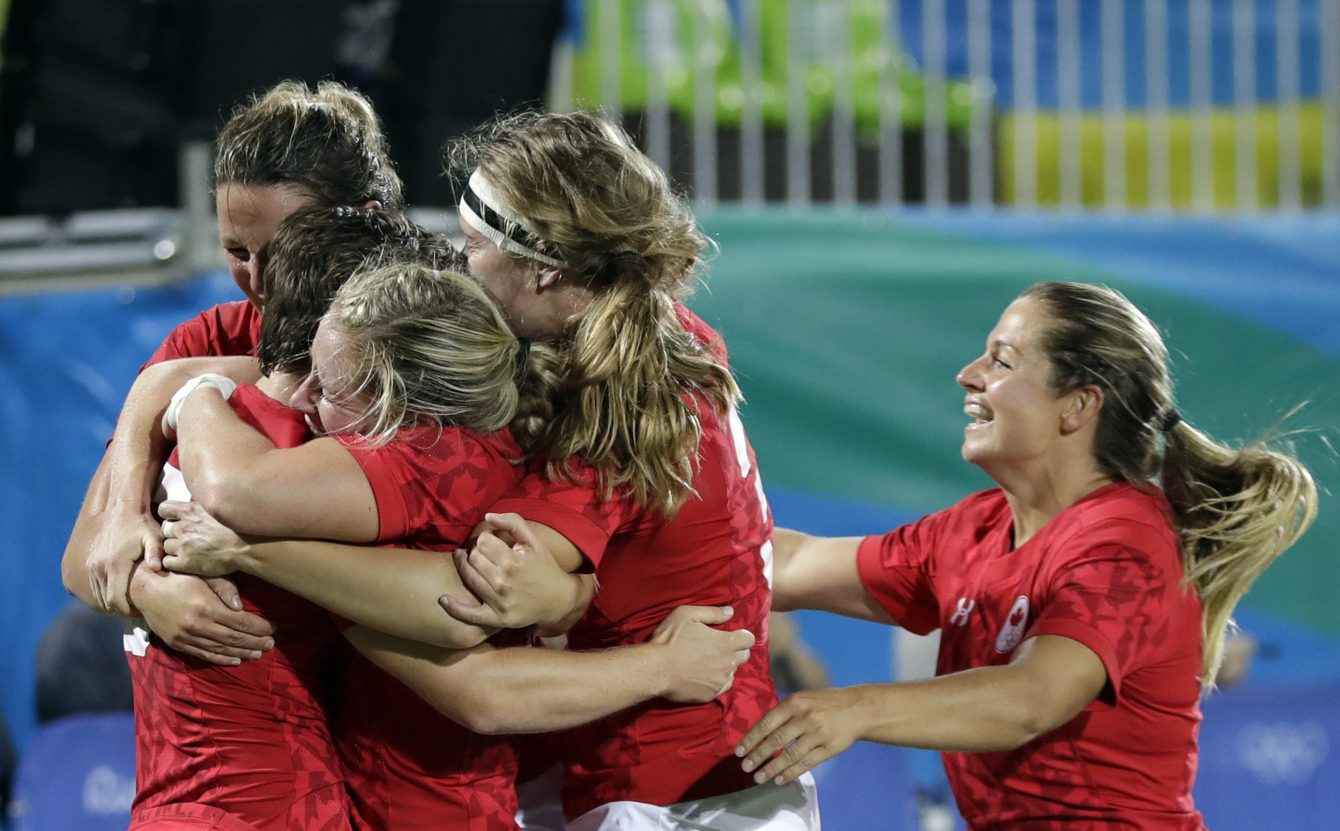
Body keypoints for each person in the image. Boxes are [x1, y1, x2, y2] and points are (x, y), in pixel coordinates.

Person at [151, 110, 817, 831]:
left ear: (548, 268)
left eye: (472, 245)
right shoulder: (647, 338)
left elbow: (469, 628)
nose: (456, 265)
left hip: (680, 800)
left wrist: (243, 542)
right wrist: (138, 560)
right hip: (620, 781)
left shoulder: (606, 403)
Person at [735, 281, 1317, 830]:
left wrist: (854, 710)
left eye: (1002, 360)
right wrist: (659, 540)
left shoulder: (1126, 540)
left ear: (1078, 406)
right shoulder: (974, 531)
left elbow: (1033, 698)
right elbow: (785, 564)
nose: (968, 375)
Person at [123, 205, 448, 831]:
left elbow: (89, 563)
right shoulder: (331, 462)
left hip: (172, 803)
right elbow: (457, 619)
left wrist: (188, 391)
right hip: (277, 806)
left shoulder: (190, 422)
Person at [62, 79, 404, 650]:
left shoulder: (432, 338)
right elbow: (80, 561)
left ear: (363, 220)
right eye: (238, 252)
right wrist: (149, 591)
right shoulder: (209, 337)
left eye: (286, 248)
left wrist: (184, 386)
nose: (260, 281)